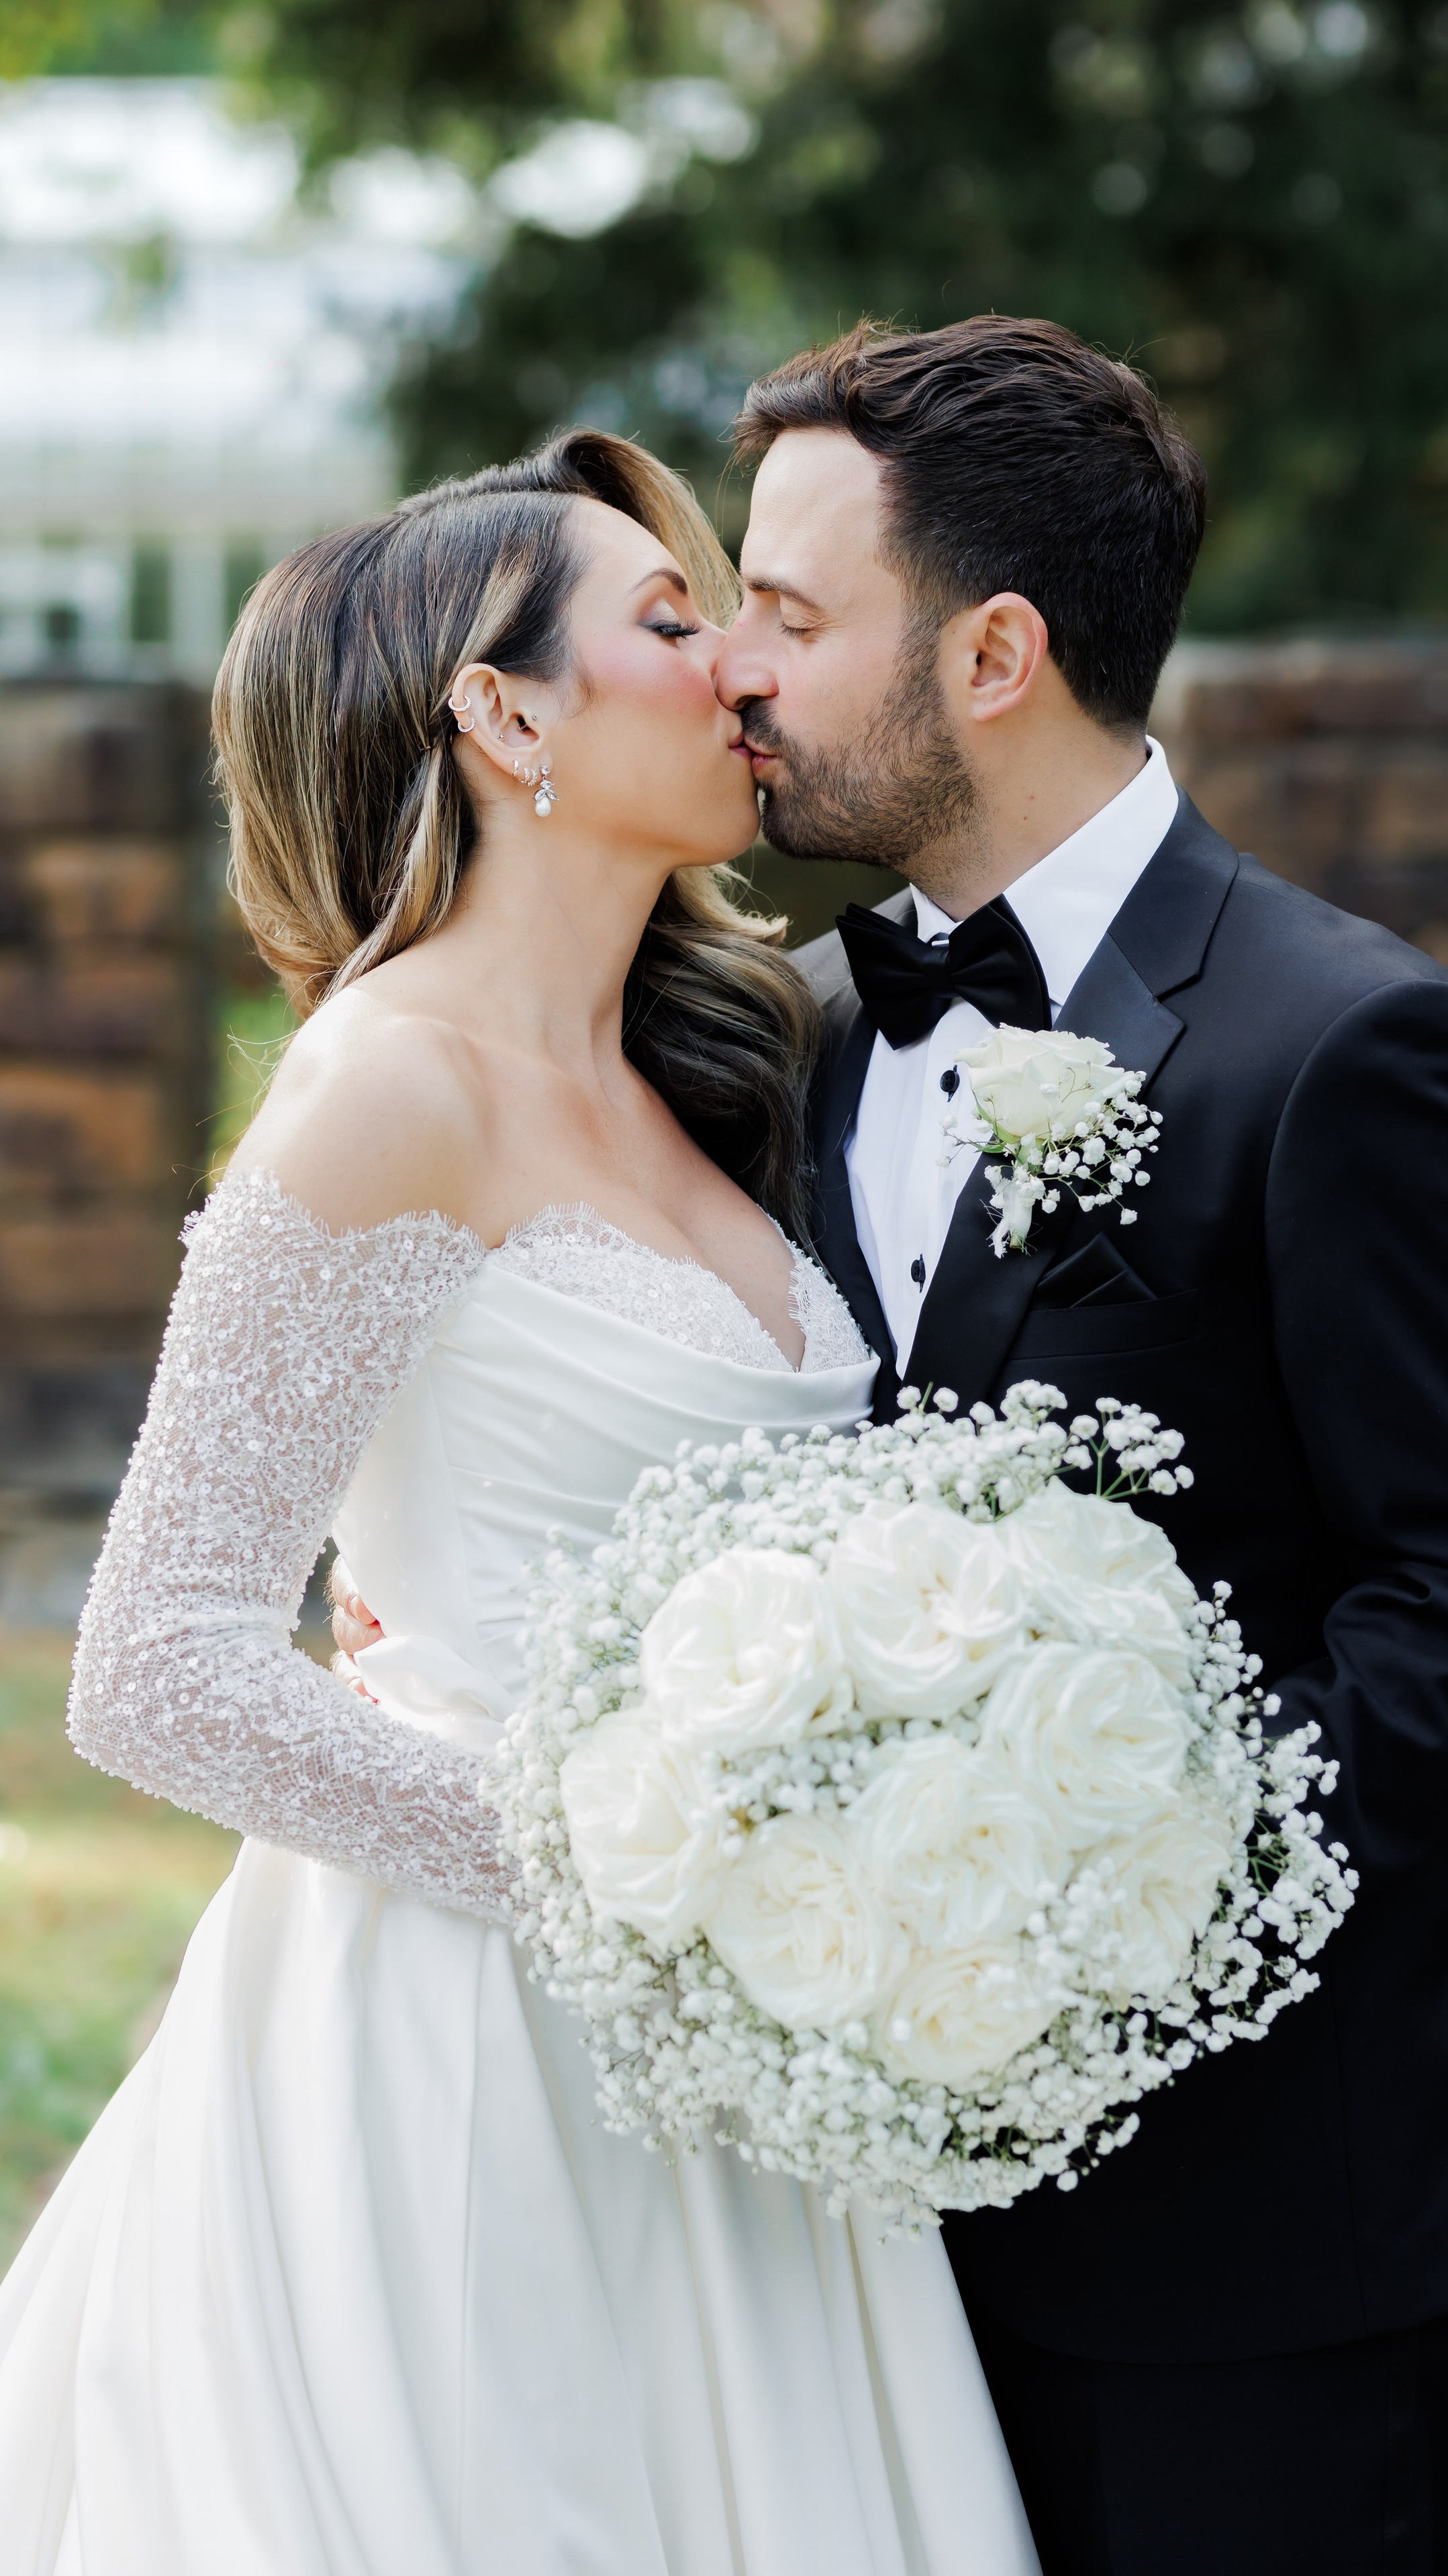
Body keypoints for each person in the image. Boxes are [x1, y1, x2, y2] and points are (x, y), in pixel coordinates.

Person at [0, 431, 1041, 2576]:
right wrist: (631, 1881)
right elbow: (158, 1665)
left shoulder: (721, 1077)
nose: (742, 666)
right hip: (465, 2057)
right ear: (504, 712)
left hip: (746, 2076)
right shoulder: (396, 1084)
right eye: (673, 622)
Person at [714, 316, 1448, 2573]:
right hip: (880, 2232)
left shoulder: (1359, 1048)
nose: (734, 666)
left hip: (1281, 2217)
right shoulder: (802, 1043)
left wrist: (1094, 1867)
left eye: (792, 612)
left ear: (997, 651)